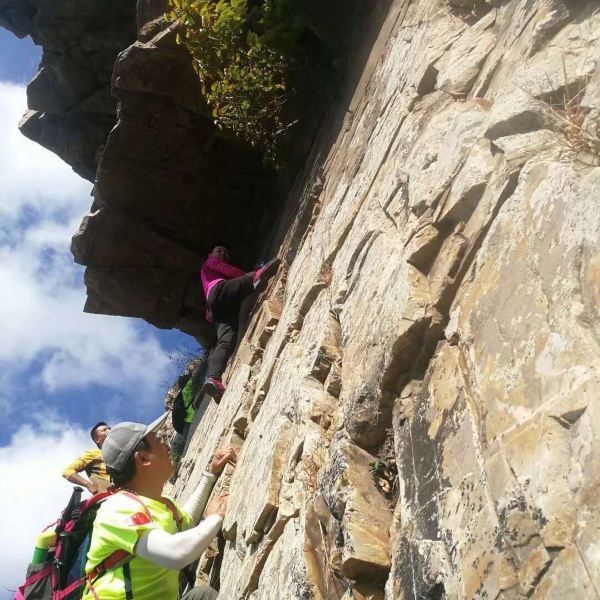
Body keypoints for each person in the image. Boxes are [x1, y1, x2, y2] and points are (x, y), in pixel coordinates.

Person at [81, 414, 235, 600]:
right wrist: (215, 518)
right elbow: (176, 553)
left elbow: (187, 521)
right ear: (144, 459)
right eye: (159, 442)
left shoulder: (162, 504)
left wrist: (210, 474)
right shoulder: (116, 509)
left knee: (204, 595)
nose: (168, 446)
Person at [200, 244, 280, 400]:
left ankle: (213, 379)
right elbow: (228, 272)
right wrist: (251, 275)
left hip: (219, 310)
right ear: (211, 254)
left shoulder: (213, 273)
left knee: (225, 341)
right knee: (244, 281)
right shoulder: (209, 262)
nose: (222, 253)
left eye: (225, 252)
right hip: (218, 293)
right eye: (219, 251)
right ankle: (256, 277)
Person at [62, 421, 112, 494]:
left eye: (110, 428)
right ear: (97, 439)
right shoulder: (93, 453)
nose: (109, 431)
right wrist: (88, 485)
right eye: (104, 430)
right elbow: (68, 471)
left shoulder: (122, 454)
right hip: (111, 497)